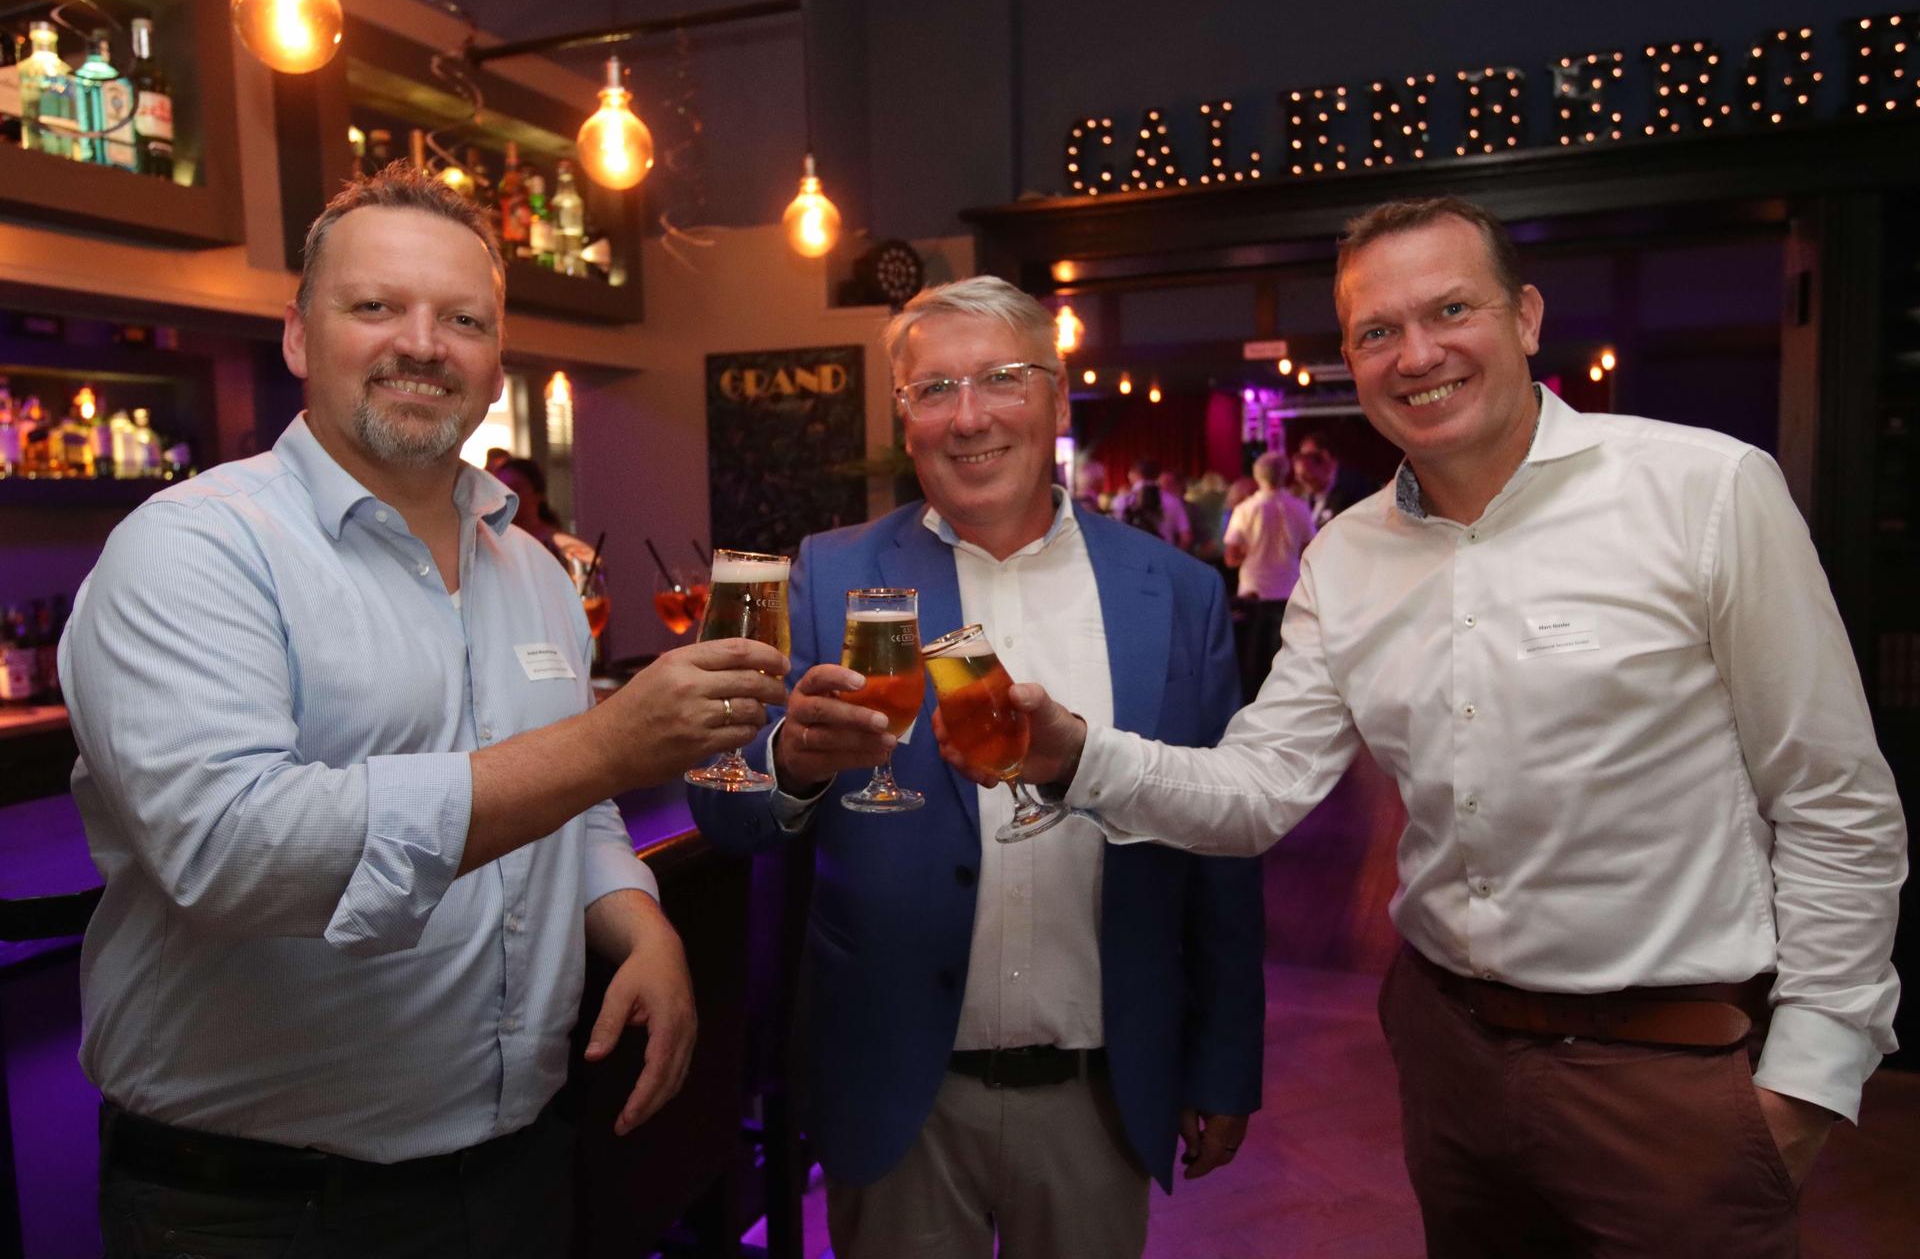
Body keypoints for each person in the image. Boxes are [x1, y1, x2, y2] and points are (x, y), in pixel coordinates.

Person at [957, 198, 1906, 1258]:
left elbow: (1835, 799)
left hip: (1670, 1075)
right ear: (1352, 360)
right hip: (1451, 1066)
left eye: (1451, 308)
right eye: (1376, 331)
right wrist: (1078, 754)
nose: (1418, 353)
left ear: (1527, 316)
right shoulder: (1347, 556)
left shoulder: (1706, 490)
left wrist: (1812, 1077)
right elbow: (1260, 788)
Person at [60, 166, 787, 1258]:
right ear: (299, 335)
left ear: (497, 360)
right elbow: (229, 848)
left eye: (462, 319)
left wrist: (636, 917)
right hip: (259, 1209)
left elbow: (572, 803)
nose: (423, 343)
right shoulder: (195, 548)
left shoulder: (535, 569)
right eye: (375, 307)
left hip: (517, 1175)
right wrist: (609, 738)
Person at [689, 276, 1263, 1259]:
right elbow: (721, 805)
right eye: (933, 390)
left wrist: (1222, 1063)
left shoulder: (1175, 592)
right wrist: (787, 760)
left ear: (1054, 393)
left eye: (1001, 379)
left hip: (1095, 1090)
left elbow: (1219, 841)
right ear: (903, 417)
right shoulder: (821, 572)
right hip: (896, 1088)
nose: (969, 417)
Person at [1222, 450, 1315, 701]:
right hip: (1289, 591)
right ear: (1285, 475)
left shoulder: (1245, 509)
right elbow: (1309, 549)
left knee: (1252, 661)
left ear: (1257, 475)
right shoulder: (1299, 507)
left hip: (1254, 592)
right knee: (1285, 661)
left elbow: (1231, 557)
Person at [494, 455, 594, 565]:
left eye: (515, 489)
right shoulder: (493, 543)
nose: (506, 498)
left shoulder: (560, 546)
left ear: (538, 494)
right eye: (501, 490)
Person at [1288, 430, 1373, 529]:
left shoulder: (1352, 490)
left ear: (1326, 457)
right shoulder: (1307, 499)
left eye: (1311, 457)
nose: (1302, 481)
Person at [1111, 459, 1193, 550]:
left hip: (1132, 557)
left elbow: (1115, 535)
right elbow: (1186, 538)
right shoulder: (1173, 501)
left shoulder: (1121, 500)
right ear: (1157, 475)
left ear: (1132, 474)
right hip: (1163, 557)